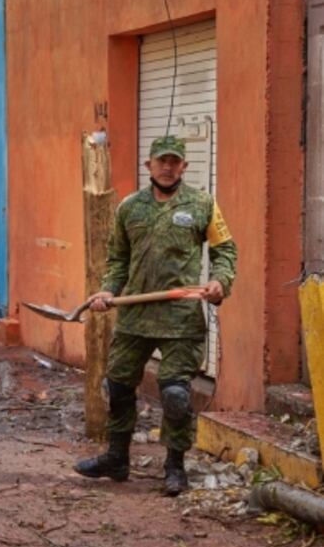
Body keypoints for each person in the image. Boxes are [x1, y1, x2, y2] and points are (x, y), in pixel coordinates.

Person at [73, 136, 237, 496]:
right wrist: (108, 291)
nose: (168, 167)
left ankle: (175, 466)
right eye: (161, 161)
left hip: (180, 318)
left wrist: (220, 281)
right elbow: (117, 260)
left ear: (184, 166)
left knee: (176, 394)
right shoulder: (129, 208)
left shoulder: (202, 204)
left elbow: (225, 250)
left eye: (174, 161)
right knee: (117, 387)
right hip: (135, 313)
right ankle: (116, 459)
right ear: (148, 165)